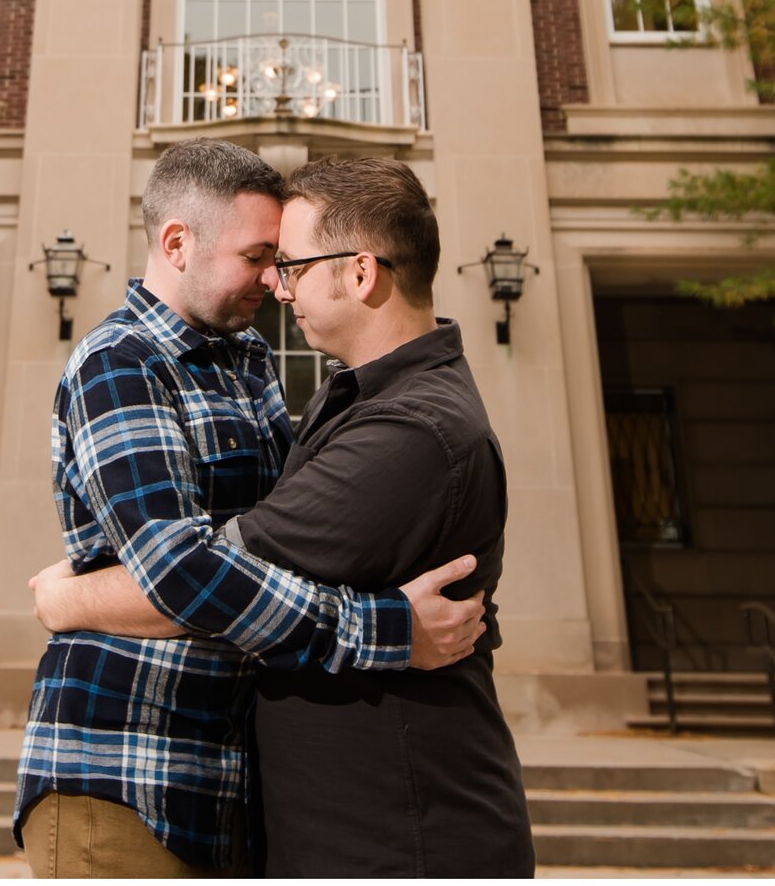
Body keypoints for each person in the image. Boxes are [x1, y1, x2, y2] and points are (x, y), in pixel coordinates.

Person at [35, 155, 534, 878]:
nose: (275, 282)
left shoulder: (271, 371)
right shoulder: (120, 363)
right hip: (128, 758)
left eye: (286, 261)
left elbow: (238, 554)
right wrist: (388, 628)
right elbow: (186, 572)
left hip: (242, 777)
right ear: (177, 245)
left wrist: (72, 597)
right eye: (260, 257)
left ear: (360, 273)